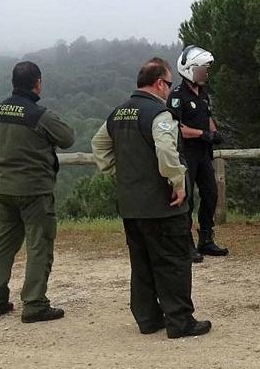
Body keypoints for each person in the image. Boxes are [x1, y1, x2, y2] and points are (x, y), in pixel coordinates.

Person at [91, 58, 212, 338]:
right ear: (159, 83)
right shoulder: (160, 114)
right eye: (169, 84)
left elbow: (98, 145)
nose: (169, 90)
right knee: (174, 261)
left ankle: (148, 319)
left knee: (141, 262)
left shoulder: (117, 113)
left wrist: (118, 173)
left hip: (131, 205)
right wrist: (178, 182)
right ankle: (180, 321)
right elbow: (167, 152)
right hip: (162, 205)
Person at [0, 61, 74, 323]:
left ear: (13, 83)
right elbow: (67, 138)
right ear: (38, 83)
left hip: (5, 187)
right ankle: (34, 303)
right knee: (39, 246)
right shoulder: (38, 114)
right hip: (35, 190)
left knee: (1, 245)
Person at [168, 45, 228, 263]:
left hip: (204, 154)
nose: (205, 74)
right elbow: (177, 128)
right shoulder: (177, 96)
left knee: (211, 194)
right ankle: (186, 244)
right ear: (188, 70)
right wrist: (203, 134)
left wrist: (214, 133)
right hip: (186, 154)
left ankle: (206, 238)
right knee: (188, 199)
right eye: (201, 69)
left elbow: (208, 117)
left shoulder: (203, 95)